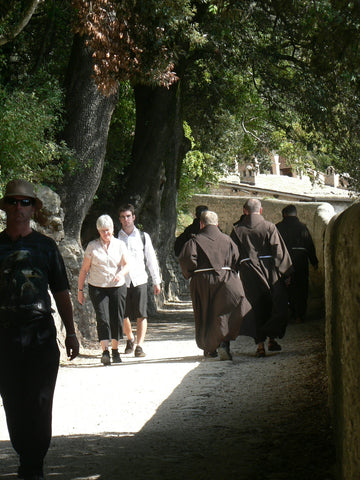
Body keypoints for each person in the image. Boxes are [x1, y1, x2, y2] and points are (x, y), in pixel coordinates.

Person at [0, 179, 79, 480]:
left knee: (41, 399)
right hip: (4, 336)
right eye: (13, 202)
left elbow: (61, 292)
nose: (19, 208)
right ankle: (25, 456)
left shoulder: (46, 247)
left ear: (34, 209)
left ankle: (34, 464)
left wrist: (71, 332)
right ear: (6, 206)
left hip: (40, 333)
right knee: (13, 400)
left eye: (25, 202)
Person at [178, 210, 253, 360]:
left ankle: (210, 348)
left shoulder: (194, 241)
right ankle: (224, 343)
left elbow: (187, 261)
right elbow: (236, 259)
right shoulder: (228, 240)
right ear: (217, 224)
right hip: (227, 279)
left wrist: (193, 273)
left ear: (201, 224)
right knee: (225, 313)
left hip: (203, 281)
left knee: (205, 313)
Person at [230, 198, 293, 357]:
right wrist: (286, 273)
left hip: (248, 274)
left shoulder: (237, 230)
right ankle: (271, 338)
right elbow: (278, 251)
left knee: (255, 308)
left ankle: (260, 345)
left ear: (245, 211)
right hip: (270, 271)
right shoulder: (269, 227)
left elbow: (233, 255)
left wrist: (233, 273)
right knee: (274, 305)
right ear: (261, 210)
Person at [78, 214, 129, 365]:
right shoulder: (92, 246)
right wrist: (80, 290)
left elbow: (127, 265)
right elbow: (84, 270)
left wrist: (121, 273)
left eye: (107, 230)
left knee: (117, 318)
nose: (105, 234)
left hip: (117, 287)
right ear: (98, 231)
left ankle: (115, 350)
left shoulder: (120, 245)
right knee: (103, 319)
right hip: (97, 287)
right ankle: (105, 351)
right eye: (102, 231)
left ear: (113, 229)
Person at [118, 204, 161, 358]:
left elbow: (151, 259)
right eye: (123, 217)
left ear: (134, 217)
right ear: (120, 219)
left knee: (142, 314)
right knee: (123, 314)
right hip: (122, 281)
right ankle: (130, 338)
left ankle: (139, 346)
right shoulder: (116, 238)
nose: (126, 219)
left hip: (140, 279)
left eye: (128, 216)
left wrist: (156, 281)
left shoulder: (143, 237)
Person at [276, 204, 319, 323]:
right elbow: (309, 246)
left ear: (284, 214)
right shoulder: (302, 227)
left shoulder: (278, 228)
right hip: (300, 262)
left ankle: (288, 314)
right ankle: (299, 315)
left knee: (285, 289)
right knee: (301, 289)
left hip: (283, 263)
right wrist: (314, 262)